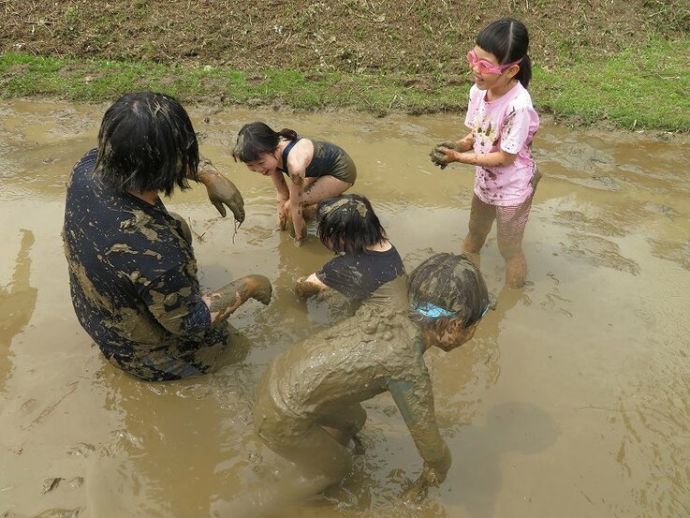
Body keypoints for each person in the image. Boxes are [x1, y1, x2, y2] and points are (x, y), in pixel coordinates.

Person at [244, 253, 491, 512]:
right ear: (452, 327)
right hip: (280, 414)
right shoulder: (406, 366)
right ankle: (256, 506)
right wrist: (440, 468)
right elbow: (431, 448)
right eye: (474, 326)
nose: (473, 333)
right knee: (338, 469)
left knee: (355, 420)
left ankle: (315, 451)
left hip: (279, 375)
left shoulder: (392, 299)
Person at [62, 91, 271, 382]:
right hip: (139, 354)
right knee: (235, 349)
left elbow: (146, 158)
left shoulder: (87, 167)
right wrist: (250, 285)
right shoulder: (158, 250)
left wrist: (209, 175)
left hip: (95, 312)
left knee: (178, 225)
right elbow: (191, 324)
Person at [430, 17, 539, 288]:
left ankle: (511, 304)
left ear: (511, 71)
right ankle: (462, 286)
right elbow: (477, 133)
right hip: (486, 185)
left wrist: (457, 158)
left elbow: (505, 157)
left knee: (509, 249)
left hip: (512, 190)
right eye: (473, 58)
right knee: (474, 236)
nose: (474, 68)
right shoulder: (478, 91)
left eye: (484, 65)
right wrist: (455, 146)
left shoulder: (518, 106)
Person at [232, 122, 357, 246]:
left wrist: (298, 240)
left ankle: (341, 210)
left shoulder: (294, 165)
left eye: (260, 163)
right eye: (250, 165)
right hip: (317, 170)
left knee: (291, 207)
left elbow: (294, 205)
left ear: (275, 149)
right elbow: (281, 193)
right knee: (293, 206)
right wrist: (280, 227)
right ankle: (325, 209)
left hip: (341, 172)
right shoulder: (271, 157)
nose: (259, 170)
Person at [294, 194, 405, 307]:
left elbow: (303, 290)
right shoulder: (386, 246)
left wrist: (298, 280)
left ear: (342, 237)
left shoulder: (342, 267)